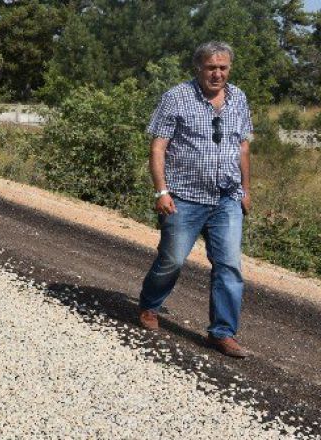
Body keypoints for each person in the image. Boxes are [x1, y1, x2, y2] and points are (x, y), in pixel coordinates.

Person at [138, 41, 252, 358]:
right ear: (199, 68)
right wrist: (161, 191)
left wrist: (246, 189)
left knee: (229, 265)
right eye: (211, 67)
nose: (217, 74)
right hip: (184, 197)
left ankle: (223, 333)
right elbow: (158, 147)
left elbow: (243, 146)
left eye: (223, 68)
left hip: (227, 197)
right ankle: (149, 304)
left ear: (229, 68)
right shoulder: (176, 97)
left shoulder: (239, 98)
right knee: (172, 259)